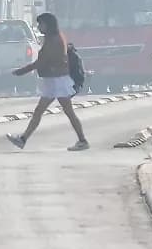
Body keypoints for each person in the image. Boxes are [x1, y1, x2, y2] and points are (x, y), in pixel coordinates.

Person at [6, 12, 90, 151]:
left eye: (41, 24)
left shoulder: (54, 40)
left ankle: (82, 140)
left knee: (66, 112)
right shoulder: (53, 38)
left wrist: (22, 71)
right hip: (53, 79)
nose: (39, 27)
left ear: (48, 25)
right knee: (41, 110)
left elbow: (42, 62)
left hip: (57, 80)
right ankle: (23, 139)